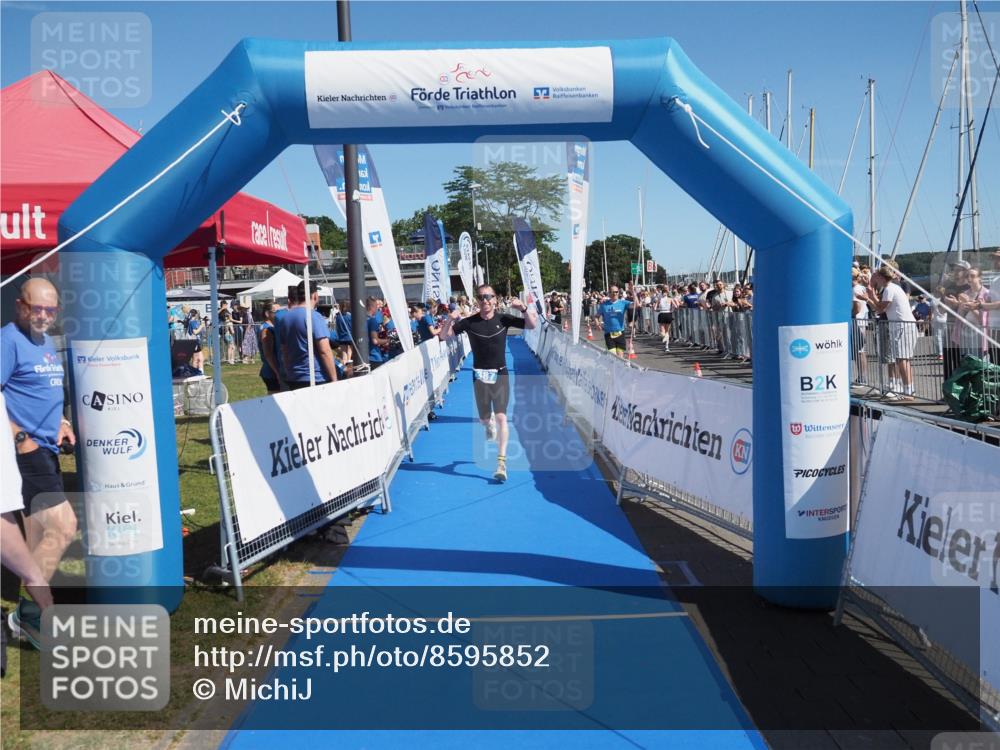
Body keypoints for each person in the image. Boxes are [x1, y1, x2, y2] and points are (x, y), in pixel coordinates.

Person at [1, 279, 75, 648]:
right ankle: (28, 616)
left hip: (45, 448)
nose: (44, 316)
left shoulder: (45, 342)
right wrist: (20, 437)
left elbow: (44, 392)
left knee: (38, 535)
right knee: (64, 526)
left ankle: (17, 612)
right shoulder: (8, 341)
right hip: (24, 453)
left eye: (51, 309)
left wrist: (61, 422)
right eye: (38, 308)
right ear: (21, 306)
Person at [438, 284, 537, 482]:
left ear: (495, 300)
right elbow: (443, 336)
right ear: (477, 300)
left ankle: (501, 463)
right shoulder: (469, 322)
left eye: (489, 296)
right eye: (482, 297)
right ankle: (487, 422)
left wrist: (524, 309)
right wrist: (450, 318)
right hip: (479, 376)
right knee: (485, 419)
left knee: (501, 417)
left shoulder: (503, 318)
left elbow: (532, 325)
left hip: (500, 374)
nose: (486, 300)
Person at [867, 267, 916, 401]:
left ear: (881, 278)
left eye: (876, 277)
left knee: (902, 359)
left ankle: (909, 391)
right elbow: (881, 308)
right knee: (903, 359)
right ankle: (909, 389)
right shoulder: (893, 287)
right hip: (901, 326)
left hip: (902, 326)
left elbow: (880, 308)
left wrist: (871, 296)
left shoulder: (889, 289)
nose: (874, 279)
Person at [278, 281, 339, 389]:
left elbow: (284, 351)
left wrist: (289, 372)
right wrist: (334, 379)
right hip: (316, 377)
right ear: (315, 295)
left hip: (294, 377)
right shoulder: (315, 317)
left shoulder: (284, 318)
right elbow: (324, 350)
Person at [597, 285, 633, 357]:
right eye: (613, 292)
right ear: (609, 293)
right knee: (612, 357)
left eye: (616, 292)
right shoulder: (604, 304)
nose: (615, 294)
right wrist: (598, 324)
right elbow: (596, 316)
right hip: (609, 334)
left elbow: (636, 305)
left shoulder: (623, 303)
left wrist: (634, 292)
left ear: (618, 292)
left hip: (620, 333)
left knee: (620, 358)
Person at [258, 302, 283, 393]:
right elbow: (268, 354)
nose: (279, 314)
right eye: (276, 312)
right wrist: (278, 373)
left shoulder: (273, 327)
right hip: (271, 371)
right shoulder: (266, 329)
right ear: (267, 314)